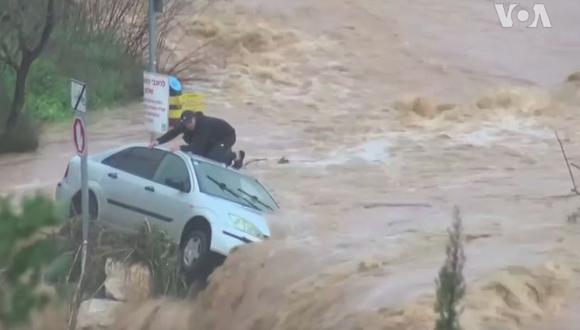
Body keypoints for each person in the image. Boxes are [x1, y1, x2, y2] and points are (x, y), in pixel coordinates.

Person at [149, 110, 246, 169]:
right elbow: (173, 133)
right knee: (203, 153)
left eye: (190, 123)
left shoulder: (204, 125)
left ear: (194, 118)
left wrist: (180, 147)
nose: (188, 125)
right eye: (186, 124)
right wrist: (158, 141)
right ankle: (225, 153)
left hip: (227, 136)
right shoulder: (185, 125)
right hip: (212, 138)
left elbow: (197, 149)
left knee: (212, 159)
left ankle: (235, 156)